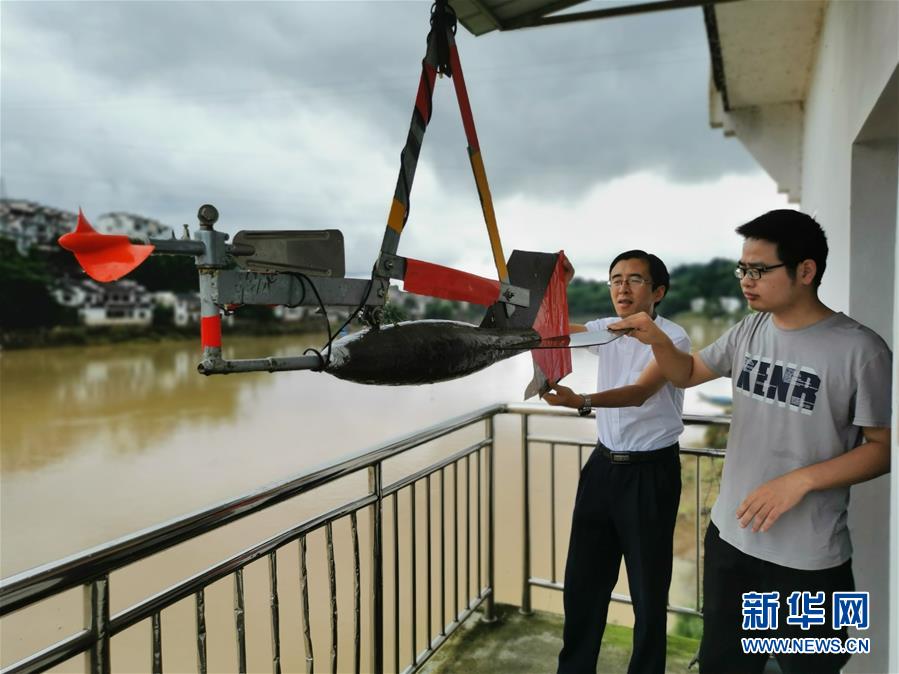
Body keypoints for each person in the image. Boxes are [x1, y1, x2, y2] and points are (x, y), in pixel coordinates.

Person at [610, 210, 892, 674]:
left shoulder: (861, 349)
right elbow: (686, 372)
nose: (747, 280)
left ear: (806, 271)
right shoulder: (751, 330)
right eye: (743, 269)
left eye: (760, 270)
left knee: (812, 668)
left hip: (809, 559)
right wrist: (658, 339)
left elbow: (883, 447)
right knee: (723, 664)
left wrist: (800, 481)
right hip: (730, 541)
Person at [544, 249, 691, 674]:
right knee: (582, 584)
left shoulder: (672, 338)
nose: (622, 288)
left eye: (635, 280)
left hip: (650, 473)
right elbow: (551, 333)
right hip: (603, 468)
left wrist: (582, 401)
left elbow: (639, 392)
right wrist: (559, 287)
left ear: (658, 291)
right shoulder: (605, 330)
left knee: (647, 592)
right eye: (615, 279)